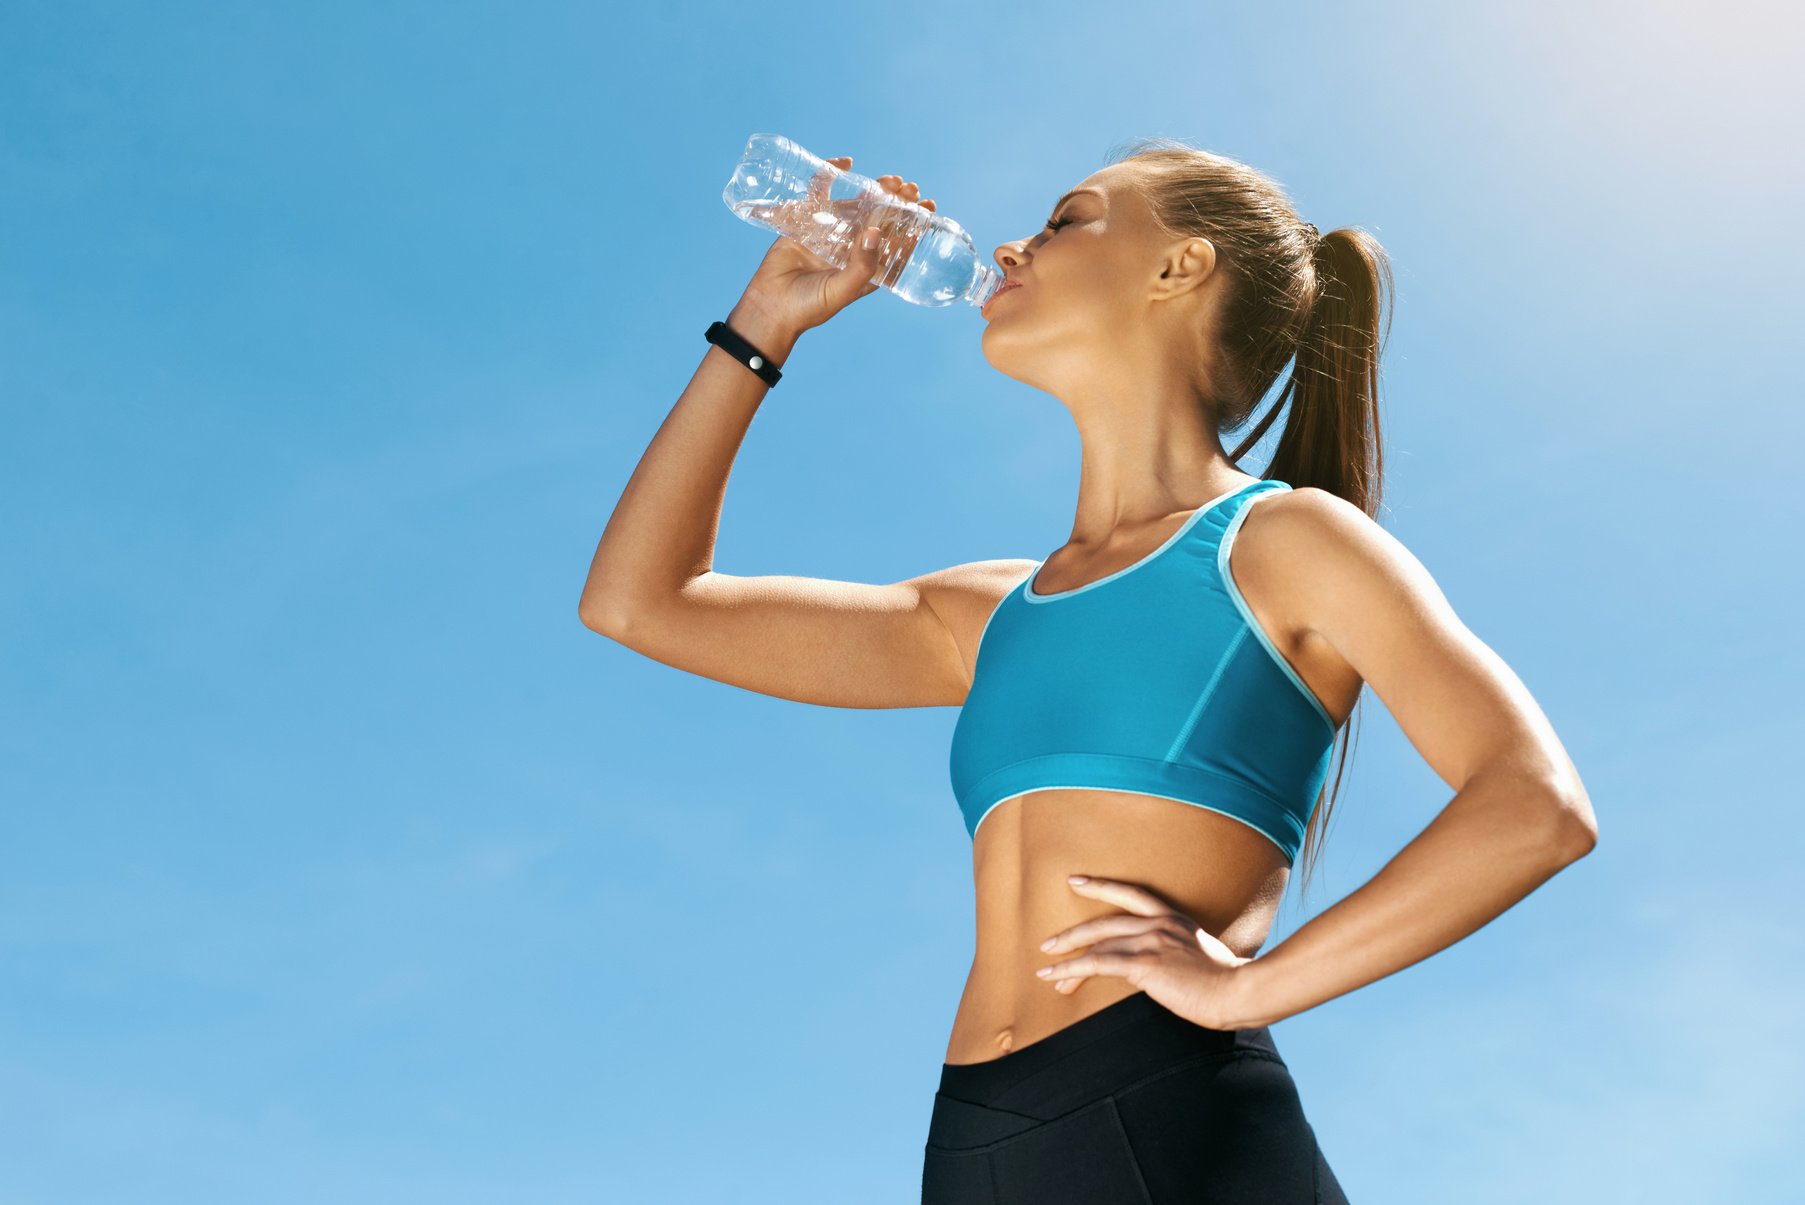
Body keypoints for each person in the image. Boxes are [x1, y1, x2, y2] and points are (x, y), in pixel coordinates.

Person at [577, 140, 1598, 1204]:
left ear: (1179, 267)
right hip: (976, 1145)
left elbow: (1533, 806)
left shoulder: (1284, 542)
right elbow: (638, 601)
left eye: (1067, 218)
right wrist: (762, 326)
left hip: (1170, 1118)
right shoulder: (990, 612)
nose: (1013, 243)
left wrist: (1247, 986)